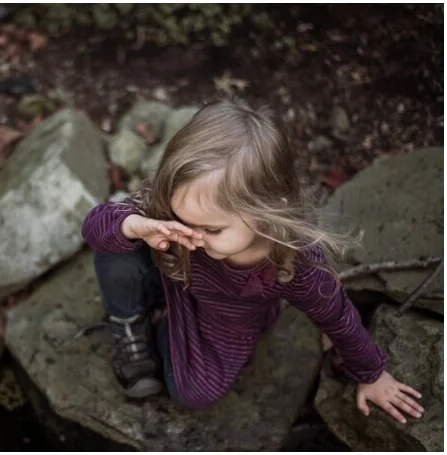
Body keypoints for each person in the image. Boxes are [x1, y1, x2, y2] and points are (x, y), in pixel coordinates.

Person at [81, 100, 423, 424]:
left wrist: (372, 374)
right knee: (115, 242)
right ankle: (129, 322)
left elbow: (339, 318)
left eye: (211, 229)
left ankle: (165, 328)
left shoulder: (296, 263)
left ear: (268, 211)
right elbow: (94, 227)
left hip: (223, 320)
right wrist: (135, 226)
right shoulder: (179, 214)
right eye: (180, 219)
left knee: (194, 393)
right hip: (171, 273)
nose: (192, 237)